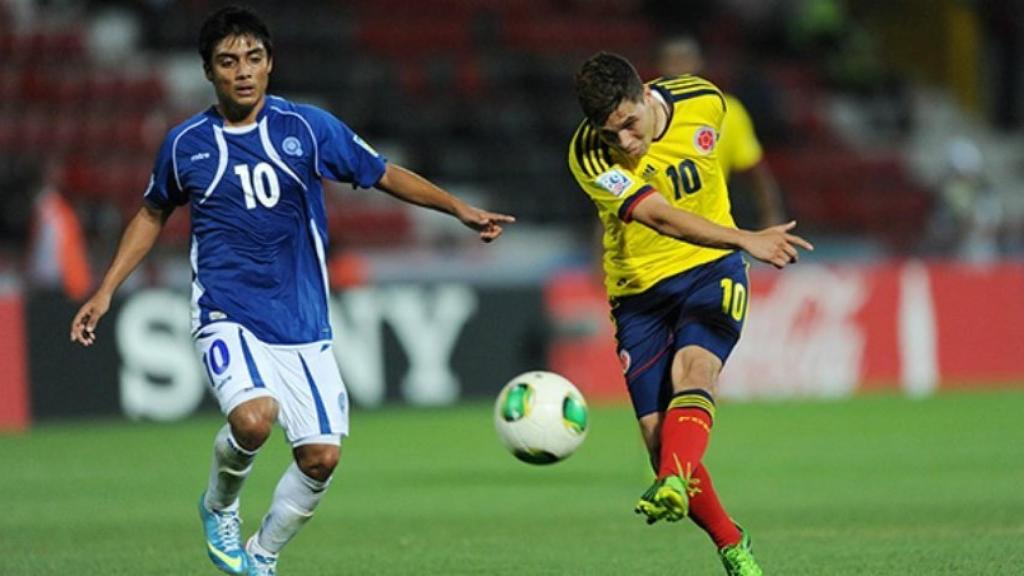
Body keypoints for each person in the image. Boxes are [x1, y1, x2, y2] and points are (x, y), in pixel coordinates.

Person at [69, 6, 514, 576]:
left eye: (254, 58)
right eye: (228, 62)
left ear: (270, 63)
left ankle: (262, 556)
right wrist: (106, 290)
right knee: (254, 419)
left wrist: (458, 208)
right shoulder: (185, 145)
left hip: (302, 320)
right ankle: (218, 505)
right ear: (209, 71)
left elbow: (382, 171)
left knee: (321, 458)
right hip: (226, 310)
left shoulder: (306, 128)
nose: (243, 72)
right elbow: (152, 213)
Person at [568, 52, 812, 575]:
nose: (625, 144)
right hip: (639, 295)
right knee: (664, 446)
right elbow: (660, 217)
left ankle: (681, 491)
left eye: (630, 125)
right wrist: (748, 236)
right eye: (612, 135)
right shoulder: (588, 153)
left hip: (712, 271)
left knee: (696, 371)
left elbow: (742, 169)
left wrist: (742, 242)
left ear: (643, 93)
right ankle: (730, 540)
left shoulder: (706, 102)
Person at [656, 36, 786, 228]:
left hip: (709, 225)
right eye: (672, 61)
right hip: (655, 225)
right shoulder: (643, 114)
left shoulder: (728, 111)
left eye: (685, 59)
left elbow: (755, 171)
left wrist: (772, 214)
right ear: (661, 66)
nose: (679, 68)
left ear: (699, 63)